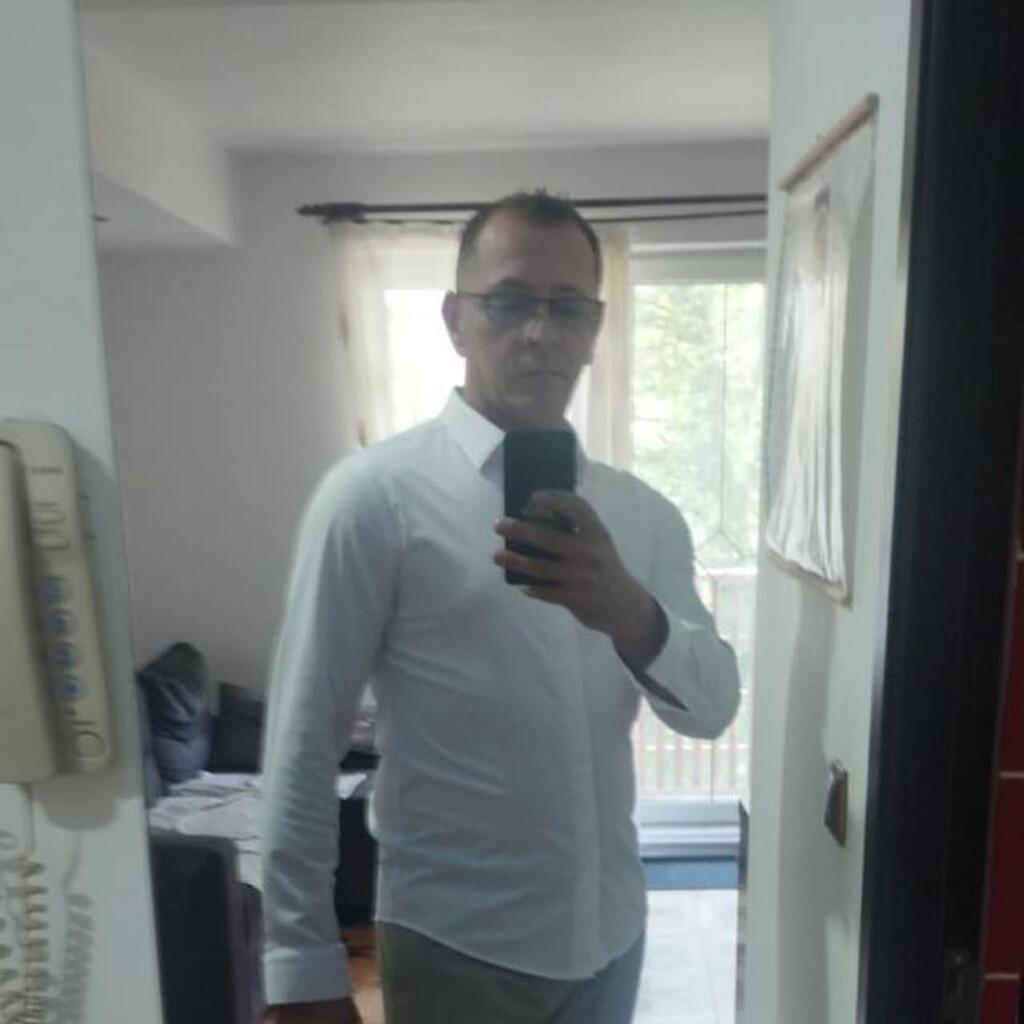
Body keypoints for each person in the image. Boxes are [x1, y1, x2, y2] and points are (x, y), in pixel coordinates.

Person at [261, 191, 740, 1024]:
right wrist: (302, 970)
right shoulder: (373, 498)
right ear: (457, 320)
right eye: (511, 302)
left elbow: (713, 708)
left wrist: (629, 612)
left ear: (594, 328)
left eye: (568, 308)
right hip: (456, 943)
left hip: (610, 934)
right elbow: (304, 740)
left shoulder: (644, 515)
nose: (540, 333)